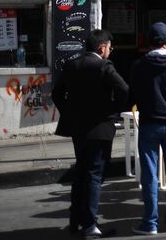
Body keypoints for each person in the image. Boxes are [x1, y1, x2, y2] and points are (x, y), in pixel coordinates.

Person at [51, 30, 129, 240]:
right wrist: (113, 110)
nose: (110, 51)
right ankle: (90, 225)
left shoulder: (71, 65)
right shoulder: (104, 66)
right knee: (94, 175)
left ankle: (75, 220)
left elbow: (56, 94)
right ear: (102, 47)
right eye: (110, 47)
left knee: (81, 172)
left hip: (78, 129)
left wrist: (70, 112)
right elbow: (123, 89)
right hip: (100, 128)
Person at [129, 22, 166, 235]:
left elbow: (133, 92)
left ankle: (150, 222)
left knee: (150, 175)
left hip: (149, 124)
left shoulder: (138, 66)